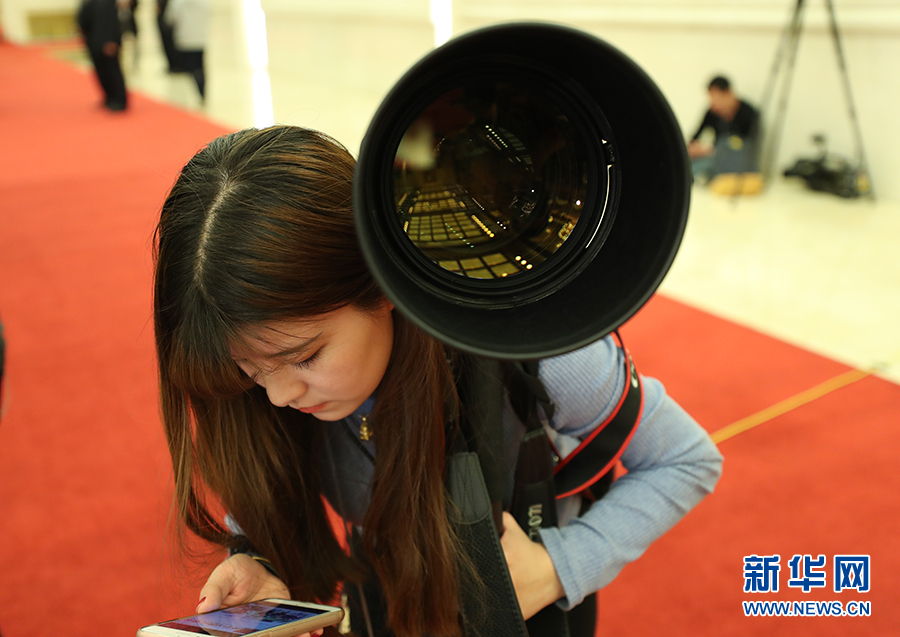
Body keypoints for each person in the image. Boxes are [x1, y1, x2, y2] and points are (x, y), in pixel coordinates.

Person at [153, 125, 723, 637]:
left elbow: (687, 459)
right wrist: (256, 556)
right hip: (388, 599)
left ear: (381, 282)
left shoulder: (536, 350)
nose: (279, 396)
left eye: (304, 357)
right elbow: (266, 480)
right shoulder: (268, 393)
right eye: (250, 371)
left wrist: (559, 566)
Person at [688, 75, 759, 182]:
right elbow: (696, 136)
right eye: (712, 99)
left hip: (736, 160)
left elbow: (746, 146)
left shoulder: (748, 113)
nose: (715, 103)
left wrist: (711, 150)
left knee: (702, 166)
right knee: (689, 164)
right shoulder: (712, 112)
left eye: (718, 99)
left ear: (729, 94)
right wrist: (692, 149)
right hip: (715, 156)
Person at [77, 0, 128, 111]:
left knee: (112, 71)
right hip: (93, 40)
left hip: (108, 42)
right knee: (102, 72)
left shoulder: (109, 3)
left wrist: (113, 41)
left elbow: (114, 23)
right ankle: (109, 97)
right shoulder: (89, 2)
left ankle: (120, 100)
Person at [163, 0, 209, 104]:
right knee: (200, 67)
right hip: (200, 39)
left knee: (189, 69)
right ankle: (201, 91)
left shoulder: (177, 2)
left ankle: (195, 91)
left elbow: (170, 18)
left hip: (185, 40)